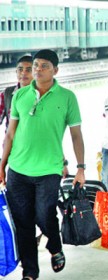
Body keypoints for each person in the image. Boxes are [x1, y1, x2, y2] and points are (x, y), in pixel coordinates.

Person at [0, 49, 86, 280]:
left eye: (43, 65)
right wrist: (2, 164)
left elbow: (76, 135)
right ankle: (30, 272)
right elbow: (10, 134)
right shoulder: (19, 95)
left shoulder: (67, 97)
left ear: (55, 70)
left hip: (49, 169)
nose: (37, 69)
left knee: (44, 214)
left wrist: (80, 167)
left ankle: (54, 246)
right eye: (35, 65)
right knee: (23, 222)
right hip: (18, 169)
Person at [0, 55, 33, 131]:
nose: (23, 73)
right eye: (20, 69)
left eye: (28, 70)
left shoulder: (42, 94)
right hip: (12, 141)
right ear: (16, 72)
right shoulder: (7, 94)